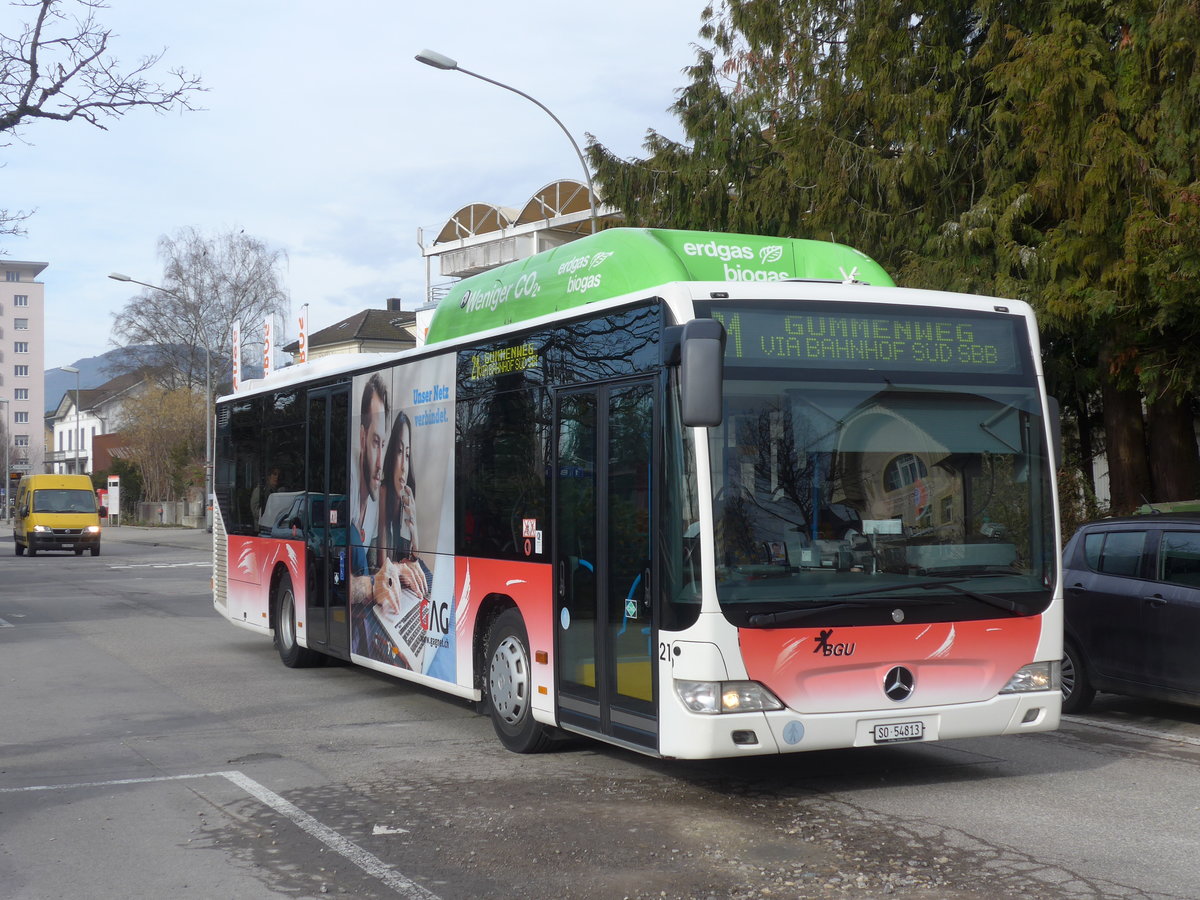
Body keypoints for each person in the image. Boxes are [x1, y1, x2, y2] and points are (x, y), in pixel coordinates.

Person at [376, 411, 429, 600]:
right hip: (387, 583)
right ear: (391, 457)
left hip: (403, 582)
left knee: (428, 580)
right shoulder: (384, 491)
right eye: (399, 452)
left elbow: (414, 557)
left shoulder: (408, 496)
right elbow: (382, 564)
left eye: (407, 454)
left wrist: (415, 533)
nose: (404, 466)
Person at [350, 373, 389, 589]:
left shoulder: (374, 498)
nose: (381, 464)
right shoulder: (351, 479)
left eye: (384, 444)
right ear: (362, 438)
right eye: (376, 442)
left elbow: (372, 567)